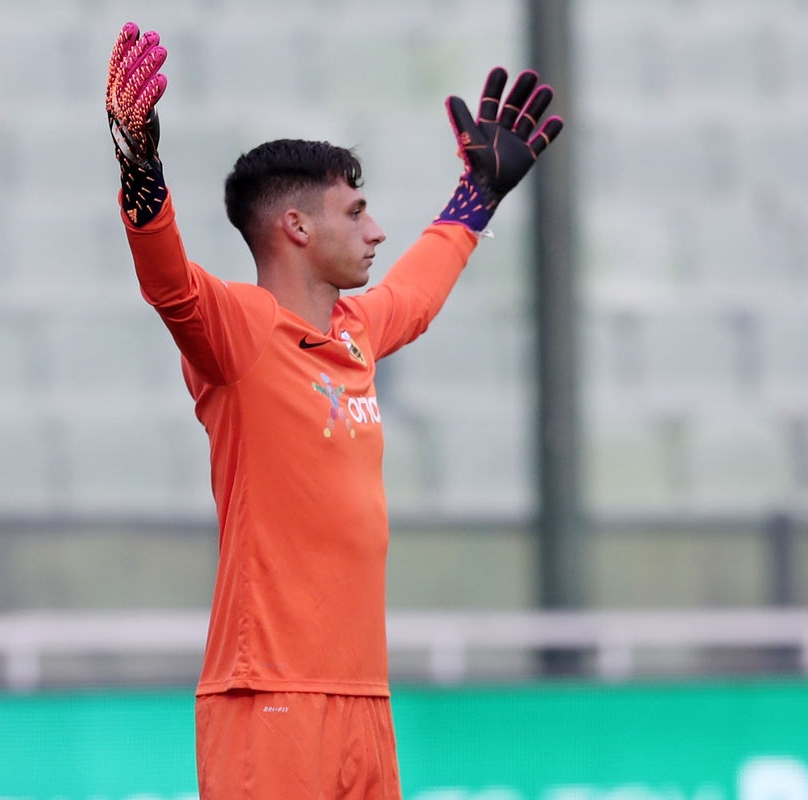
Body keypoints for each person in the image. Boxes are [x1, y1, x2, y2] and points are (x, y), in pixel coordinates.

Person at [105, 21, 563, 800]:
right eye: (355, 212)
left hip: (363, 703)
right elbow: (169, 284)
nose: (375, 229)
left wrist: (477, 196)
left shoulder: (354, 332)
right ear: (297, 226)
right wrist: (138, 162)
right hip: (269, 698)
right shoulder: (241, 332)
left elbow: (415, 296)